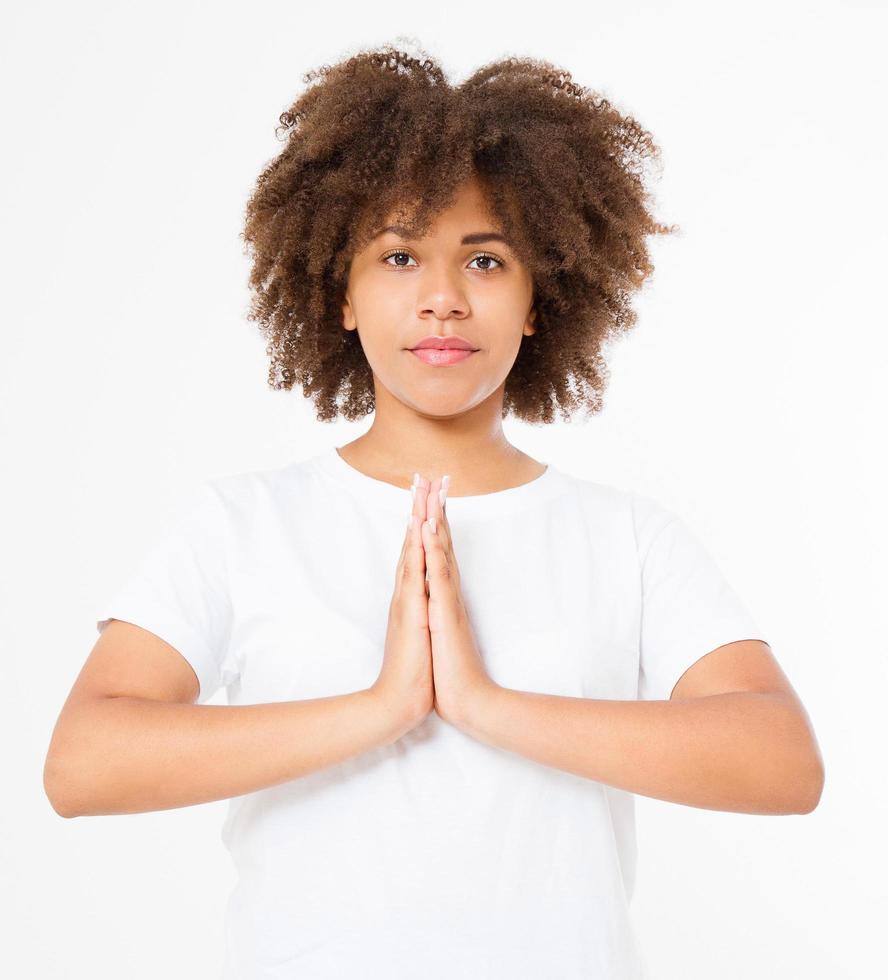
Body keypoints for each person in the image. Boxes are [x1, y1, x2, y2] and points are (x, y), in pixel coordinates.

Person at [43, 41, 824, 979]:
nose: (444, 299)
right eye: (401, 254)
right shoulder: (237, 525)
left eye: (486, 261)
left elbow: (783, 764)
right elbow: (81, 767)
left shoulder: (625, 537)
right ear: (341, 296)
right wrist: (382, 708)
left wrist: (485, 705)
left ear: (539, 301)